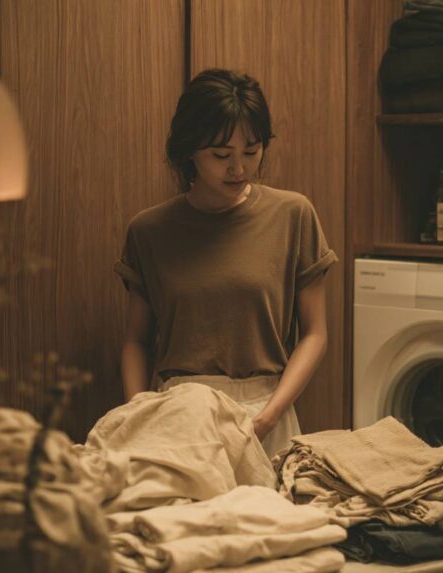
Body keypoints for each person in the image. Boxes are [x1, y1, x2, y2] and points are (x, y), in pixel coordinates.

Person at [115, 68, 336, 457]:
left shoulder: (293, 215)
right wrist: (137, 414)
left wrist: (267, 419)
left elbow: (315, 333)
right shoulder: (149, 231)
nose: (239, 168)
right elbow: (135, 341)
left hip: (268, 411)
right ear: (189, 152)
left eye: (251, 151)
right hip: (177, 416)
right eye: (221, 155)